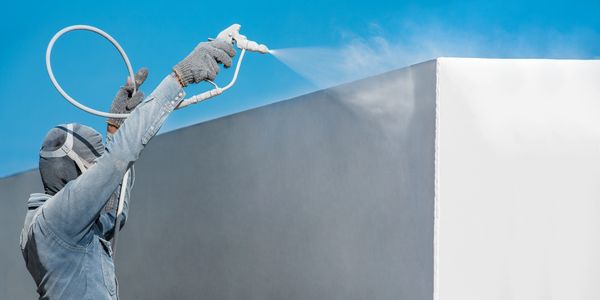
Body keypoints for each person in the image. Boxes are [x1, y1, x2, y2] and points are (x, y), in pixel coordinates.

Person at [20, 39, 236, 299]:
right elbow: (117, 159)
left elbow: (113, 216)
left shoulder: (49, 228)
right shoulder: (57, 218)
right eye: (92, 167)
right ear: (72, 169)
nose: (96, 174)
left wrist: (114, 132)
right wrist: (179, 79)